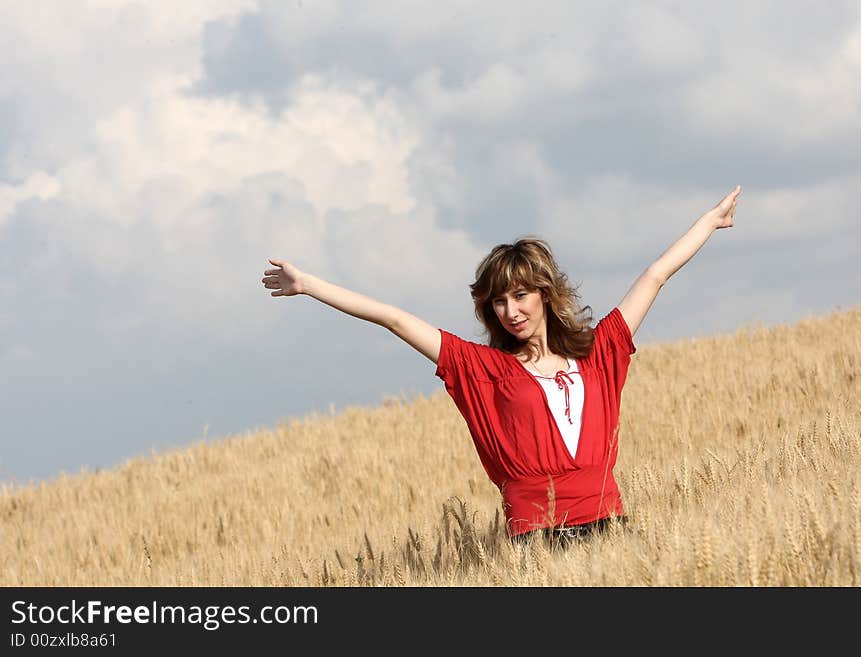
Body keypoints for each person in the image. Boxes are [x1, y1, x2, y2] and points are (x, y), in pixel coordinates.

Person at [262, 185, 741, 545]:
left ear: (545, 294)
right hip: (535, 542)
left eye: (520, 295)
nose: (510, 311)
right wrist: (308, 284)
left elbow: (655, 275)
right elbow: (395, 319)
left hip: (610, 529)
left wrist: (709, 222)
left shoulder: (598, 354)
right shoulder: (485, 370)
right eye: (497, 302)